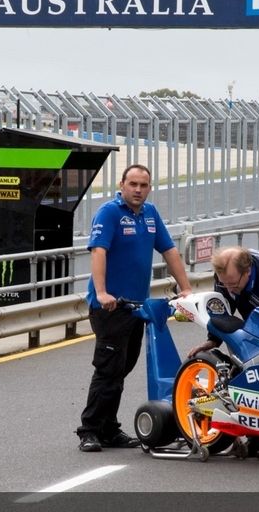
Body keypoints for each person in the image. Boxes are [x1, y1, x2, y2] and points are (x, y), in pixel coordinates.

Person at [76, 164, 193, 452]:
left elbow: (169, 250)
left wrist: (186, 288)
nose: (138, 190)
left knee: (122, 369)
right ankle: (89, 430)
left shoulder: (150, 213)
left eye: (143, 185)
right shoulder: (109, 212)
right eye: (133, 184)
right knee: (108, 370)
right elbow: (98, 251)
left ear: (149, 188)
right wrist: (101, 292)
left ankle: (109, 429)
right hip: (110, 307)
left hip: (137, 308)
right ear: (122, 185)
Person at [186, 246, 259, 460]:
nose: (230, 288)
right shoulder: (225, 276)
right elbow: (222, 314)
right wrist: (213, 340)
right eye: (225, 284)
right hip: (255, 312)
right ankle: (256, 436)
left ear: (247, 271)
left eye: (233, 284)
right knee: (246, 365)